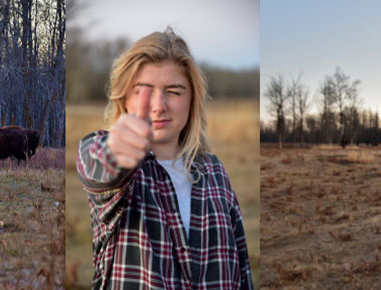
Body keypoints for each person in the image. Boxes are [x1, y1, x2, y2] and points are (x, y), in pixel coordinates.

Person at [76, 28, 253, 289]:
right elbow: (99, 166)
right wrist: (117, 152)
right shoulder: (117, 168)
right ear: (124, 100)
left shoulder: (215, 171)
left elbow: (242, 267)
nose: (158, 105)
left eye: (174, 91)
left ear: (192, 99)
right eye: (143, 91)